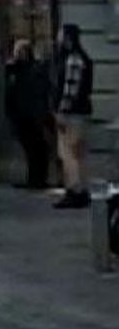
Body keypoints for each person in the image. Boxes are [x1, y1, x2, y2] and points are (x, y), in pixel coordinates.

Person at [52, 24, 93, 209]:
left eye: (61, 35)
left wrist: (61, 112)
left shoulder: (73, 60)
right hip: (80, 112)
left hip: (72, 114)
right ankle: (79, 190)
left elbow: (70, 90)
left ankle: (75, 191)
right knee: (77, 154)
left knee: (70, 154)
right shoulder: (80, 58)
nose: (58, 38)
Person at [5, 40, 52, 190]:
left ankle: (37, 179)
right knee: (33, 149)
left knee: (36, 149)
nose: (16, 55)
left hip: (30, 116)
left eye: (19, 52)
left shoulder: (32, 70)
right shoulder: (17, 70)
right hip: (23, 116)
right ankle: (34, 179)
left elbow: (36, 94)